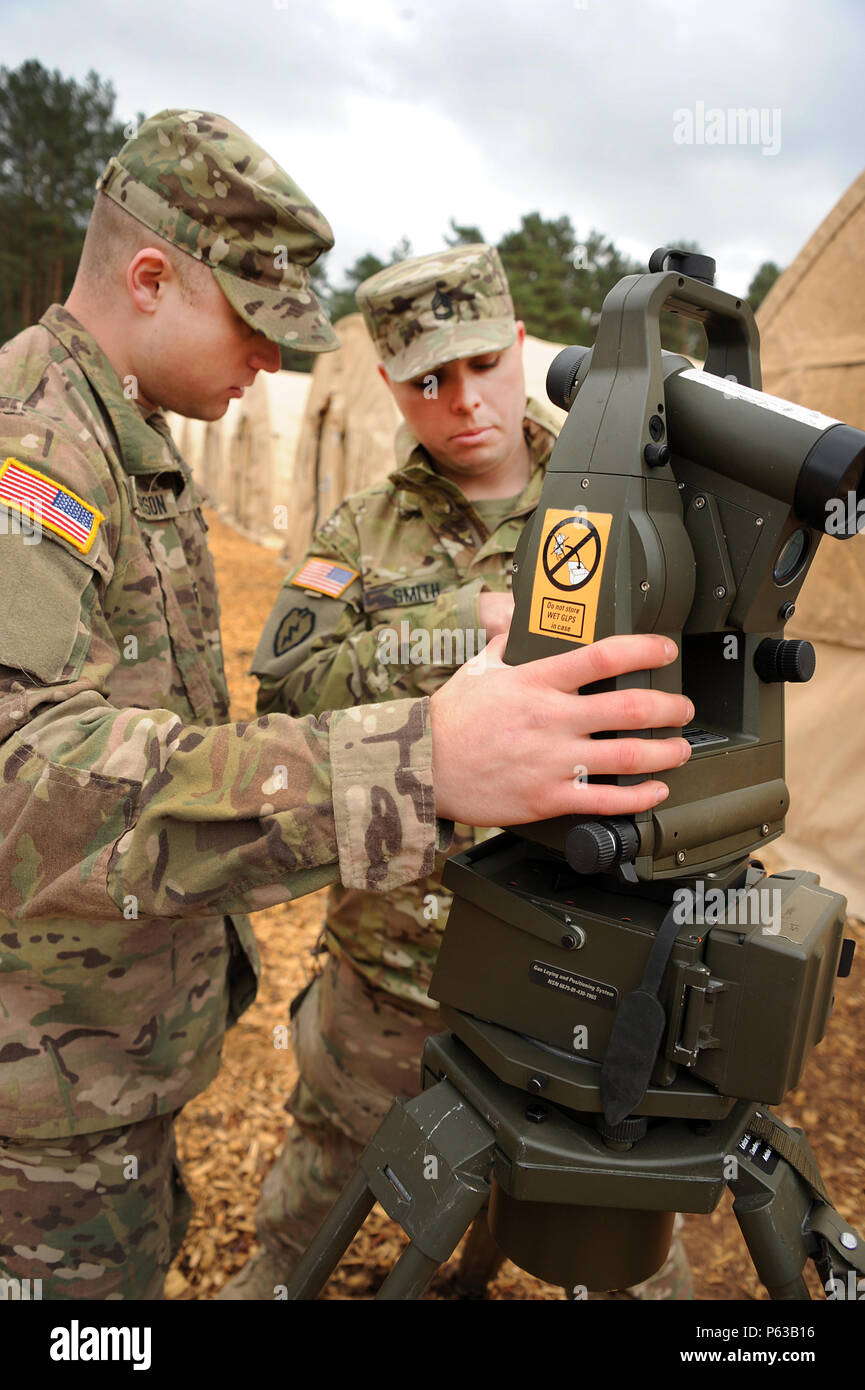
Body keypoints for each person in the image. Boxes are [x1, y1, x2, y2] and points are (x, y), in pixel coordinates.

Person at [0, 117, 693, 1302]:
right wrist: (422, 757)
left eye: (481, 366)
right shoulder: (39, 446)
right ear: (151, 279)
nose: (270, 361)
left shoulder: (122, 438)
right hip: (67, 1058)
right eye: (253, 324)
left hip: (108, 1046)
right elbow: (25, 773)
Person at [219, 244, 694, 1300]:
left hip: (580, 971)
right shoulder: (359, 532)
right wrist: (450, 623)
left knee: (614, 1252)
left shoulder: (626, 509)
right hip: (392, 978)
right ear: (389, 383)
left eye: (481, 364)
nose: (463, 401)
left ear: (520, 345)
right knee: (313, 1222)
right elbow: (283, 702)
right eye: (427, 379)